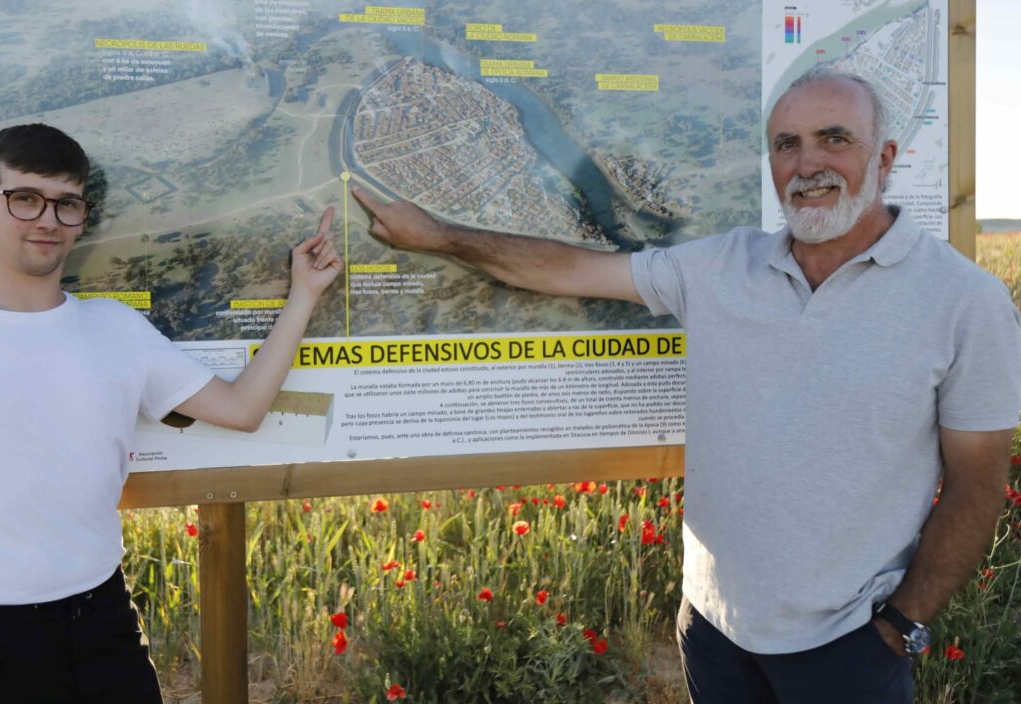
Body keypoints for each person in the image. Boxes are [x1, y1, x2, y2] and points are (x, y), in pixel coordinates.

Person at [351, 67, 1021, 703]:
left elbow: (978, 482)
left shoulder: (964, 301)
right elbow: (573, 271)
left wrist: (900, 628)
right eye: (787, 145)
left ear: (884, 158)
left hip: (848, 649)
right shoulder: (722, 268)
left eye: (835, 140)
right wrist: (439, 235)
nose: (808, 164)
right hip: (713, 632)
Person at [0, 123, 342, 704]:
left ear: (82, 217)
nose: (47, 220)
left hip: (101, 631)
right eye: (25, 198)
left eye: (66, 204)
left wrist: (304, 294)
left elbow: (242, 408)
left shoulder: (114, 328)